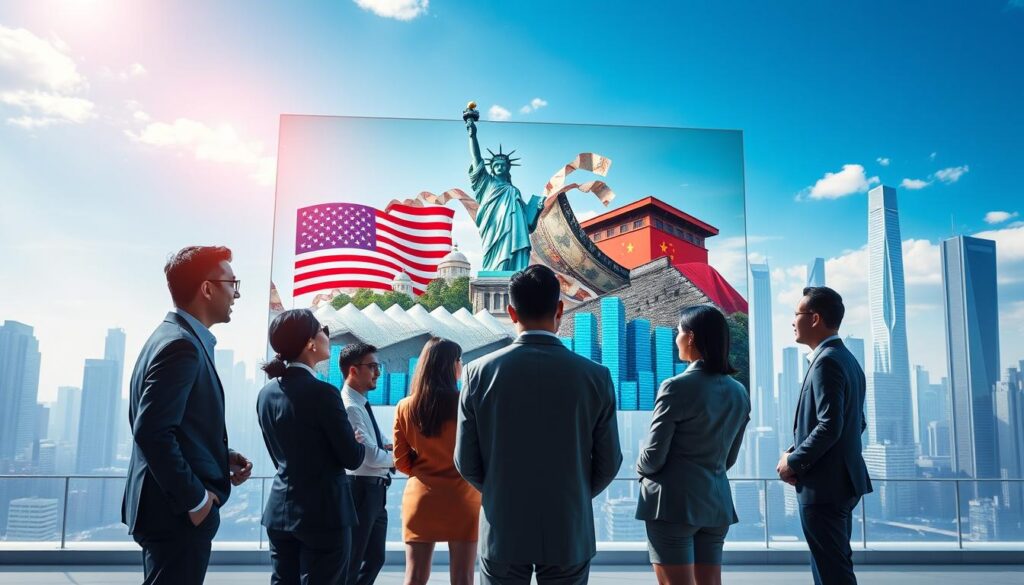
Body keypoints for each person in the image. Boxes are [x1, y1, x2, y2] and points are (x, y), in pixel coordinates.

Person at [455, 264, 623, 585]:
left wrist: (502, 493)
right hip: (568, 529)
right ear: (560, 309)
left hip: (503, 527)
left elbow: (466, 461)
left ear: (511, 313)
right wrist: (570, 495)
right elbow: (609, 461)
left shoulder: (477, 373)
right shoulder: (595, 376)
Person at [122, 245, 253, 585]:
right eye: (232, 284)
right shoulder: (181, 345)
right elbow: (151, 432)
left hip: (166, 510)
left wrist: (218, 456)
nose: (236, 295)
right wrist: (197, 503)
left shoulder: (169, 338)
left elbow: (172, 427)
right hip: (176, 513)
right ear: (207, 288)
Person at [635, 305, 751, 585]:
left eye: (678, 332)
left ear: (691, 337)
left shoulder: (675, 387)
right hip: (716, 503)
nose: (675, 338)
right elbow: (729, 459)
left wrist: (639, 466)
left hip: (673, 505)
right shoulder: (739, 391)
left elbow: (653, 457)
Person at [257, 310, 367, 585]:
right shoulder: (324, 393)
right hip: (325, 515)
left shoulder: (266, 394)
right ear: (310, 343)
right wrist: (357, 442)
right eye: (323, 329)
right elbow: (352, 459)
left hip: (280, 511)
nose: (327, 335)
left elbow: (279, 455)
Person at [776, 287, 872, 585]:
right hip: (842, 482)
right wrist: (798, 451)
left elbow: (831, 425)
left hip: (825, 486)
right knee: (834, 565)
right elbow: (856, 423)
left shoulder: (827, 360)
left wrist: (794, 461)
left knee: (832, 573)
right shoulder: (847, 359)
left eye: (796, 314)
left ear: (814, 318)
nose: (792, 321)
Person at [393, 337, 481, 585]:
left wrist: (423, 470)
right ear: (451, 365)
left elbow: (400, 461)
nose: (461, 365)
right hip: (463, 498)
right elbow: (479, 454)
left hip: (421, 499)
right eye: (459, 360)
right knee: (463, 578)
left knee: (415, 577)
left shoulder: (405, 406)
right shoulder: (466, 403)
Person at [340, 342, 395, 585]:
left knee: (374, 559)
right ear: (353, 370)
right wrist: (399, 458)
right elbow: (370, 455)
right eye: (373, 367)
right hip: (361, 490)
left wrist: (387, 453)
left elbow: (380, 445)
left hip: (374, 490)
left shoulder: (361, 403)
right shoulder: (351, 407)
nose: (378, 373)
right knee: (355, 561)